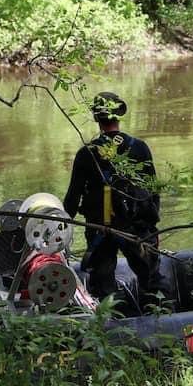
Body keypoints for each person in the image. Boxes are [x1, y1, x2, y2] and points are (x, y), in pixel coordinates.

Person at [63, 92, 162, 302]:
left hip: (101, 230)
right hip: (137, 229)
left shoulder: (86, 153)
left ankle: (109, 326)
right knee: (152, 281)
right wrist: (154, 227)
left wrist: (60, 228)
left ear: (96, 118)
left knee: (102, 288)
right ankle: (160, 319)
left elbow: (72, 199)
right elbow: (153, 191)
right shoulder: (139, 148)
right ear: (119, 116)